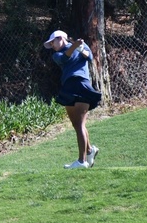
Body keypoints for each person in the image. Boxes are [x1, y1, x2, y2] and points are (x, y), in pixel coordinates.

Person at [44, 30, 103, 169]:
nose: (52, 45)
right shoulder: (56, 55)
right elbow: (64, 58)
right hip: (68, 88)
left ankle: (82, 161)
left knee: (80, 124)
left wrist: (81, 48)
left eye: (53, 42)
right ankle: (90, 150)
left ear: (61, 38)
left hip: (81, 84)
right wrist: (75, 46)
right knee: (76, 124)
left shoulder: (81, 45)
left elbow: (89, 57)